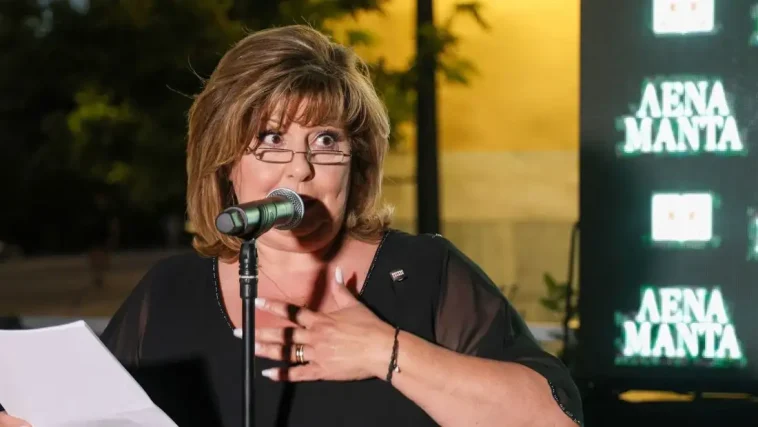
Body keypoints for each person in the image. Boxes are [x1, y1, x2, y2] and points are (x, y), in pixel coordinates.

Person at [0, 25, 583, 426]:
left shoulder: (426, 274)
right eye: (271, 139)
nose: (300, 168)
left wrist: (385, 352)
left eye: (325, 140)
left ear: (356, 162)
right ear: (225, 162)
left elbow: (552, 419)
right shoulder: (169, 293)